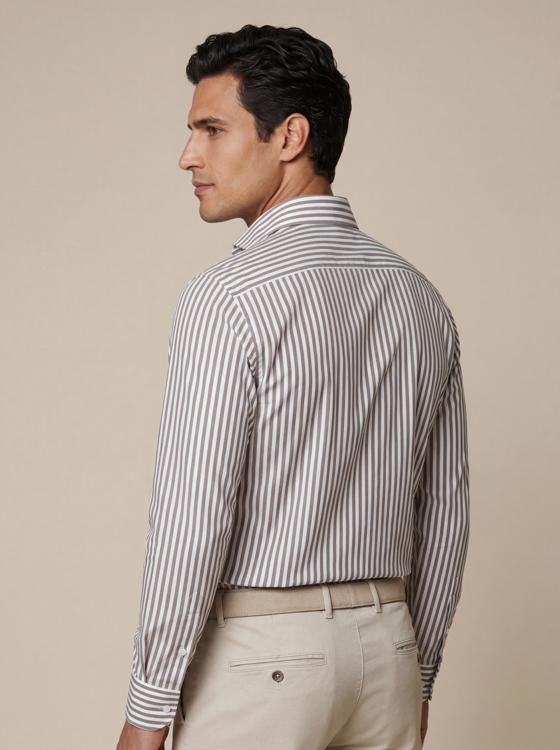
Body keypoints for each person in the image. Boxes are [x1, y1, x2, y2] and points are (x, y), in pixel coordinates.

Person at [116, 23, 470, 750]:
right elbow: (446, 514)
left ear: (290, 136)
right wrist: (419, 670)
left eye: (212, 129)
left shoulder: (227, 297)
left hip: (262, 663)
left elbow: (193, 517)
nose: (188, 155)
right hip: (390, 653)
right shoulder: (420, 298)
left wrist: (148, 709)